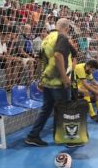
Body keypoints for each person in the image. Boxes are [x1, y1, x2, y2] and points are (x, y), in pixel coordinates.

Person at [25, 18, 75, 147]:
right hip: (58, 83)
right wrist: (64, 77)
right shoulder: (61, 37)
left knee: (46, 109)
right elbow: (58, 57)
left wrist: (42, 79)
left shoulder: (46, 38)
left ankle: (33, 136)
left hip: (47, 83)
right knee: (64, 109)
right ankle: (65, 138)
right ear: (67, 28)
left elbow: (42, 61)